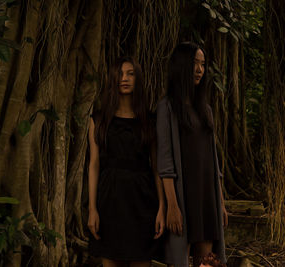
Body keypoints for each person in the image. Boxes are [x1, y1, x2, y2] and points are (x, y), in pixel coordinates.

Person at [87, 56, 165, 267]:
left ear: (137, 79)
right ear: (112, 78)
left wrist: (161, 208)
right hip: (110, 201)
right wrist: (92, 209)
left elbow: (157, 166)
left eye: (130, 74)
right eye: (120, 74)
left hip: (142, 201)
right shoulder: (98, 120)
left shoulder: (149, 121)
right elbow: (93, 166)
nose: (125, 78)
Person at [156, 42, 228, 267]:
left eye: (203, 64)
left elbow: (213, 161)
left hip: (207, 196)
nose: (199, 70)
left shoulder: (204, 110)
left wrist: (221, 202)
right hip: (182, 196)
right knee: (179, 260)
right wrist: (172, 205)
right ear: (181, 66)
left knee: (206, 262)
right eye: (194, 64)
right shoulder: (166, 108)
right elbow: (165, 161)